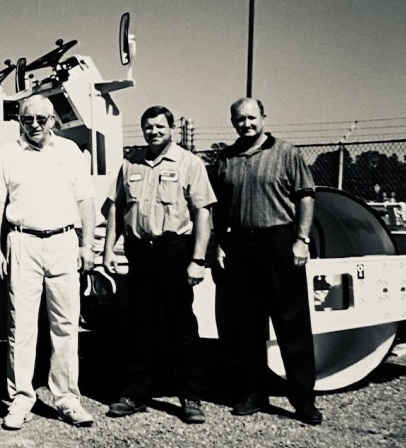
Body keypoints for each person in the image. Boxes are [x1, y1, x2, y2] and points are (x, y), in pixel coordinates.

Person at [0, 94, 96, 431]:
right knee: (22, 326)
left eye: (41, 119)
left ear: (53, 120)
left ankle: (66, 399)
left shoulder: (70, 153)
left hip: (64, 241)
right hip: (23, 242)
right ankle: (21, 398)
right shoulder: (7, 155)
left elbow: (86, 198)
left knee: (65, 324)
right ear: (19, 120)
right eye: (27, 119)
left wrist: (87, 244)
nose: (34, 125)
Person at [103, 106, 216, 424]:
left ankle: (191, 397)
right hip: (140, 254)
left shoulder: (189, 163)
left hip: (174, 253)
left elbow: (202, 213)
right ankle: (134, 394)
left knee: (182, 327)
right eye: (148, 127)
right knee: (139, 326)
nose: (153, 131)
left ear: (172, 129)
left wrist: (197, 259)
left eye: (159, 126)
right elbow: (115, 207)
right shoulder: (130, 163)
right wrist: (108, 250)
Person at [211, 97, 321, 425]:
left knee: (292, 325)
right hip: (241, 247)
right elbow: (218, 207)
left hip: (279, 244)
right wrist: (219, 244)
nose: (246, 124)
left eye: (251, 117)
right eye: (239, 119)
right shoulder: (226, 159)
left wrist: (301, 240)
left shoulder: (286, 153)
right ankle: (254, 393)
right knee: (246, 326)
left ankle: (303, 399)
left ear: (263, 117)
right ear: (233, 122)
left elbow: (305, 196)